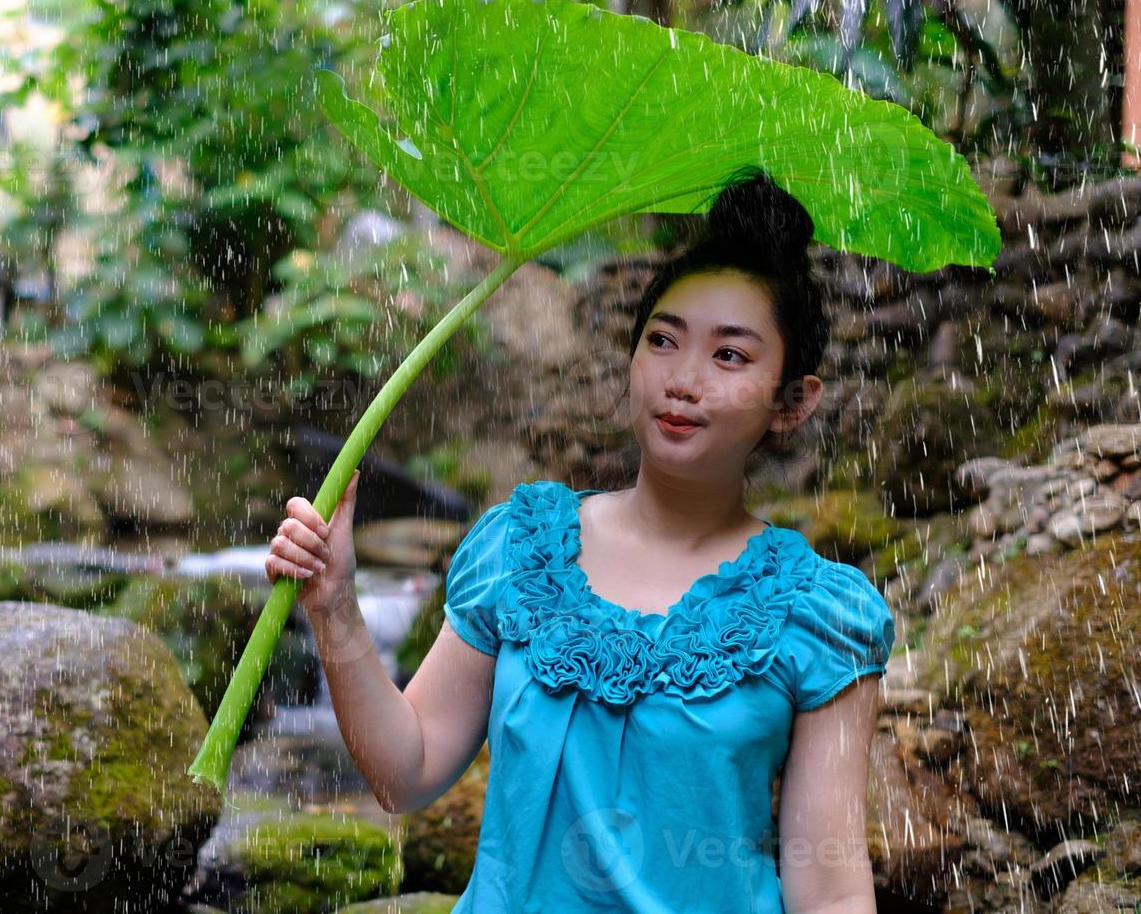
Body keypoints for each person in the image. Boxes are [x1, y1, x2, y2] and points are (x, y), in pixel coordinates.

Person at [265, 166, 897, 912]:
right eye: (663, 341)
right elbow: (407, 772)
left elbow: (828, 894)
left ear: (792, 402)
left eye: (729, 355)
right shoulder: (520, 551)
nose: (683, 380)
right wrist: (334, 606)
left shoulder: (815, 617)